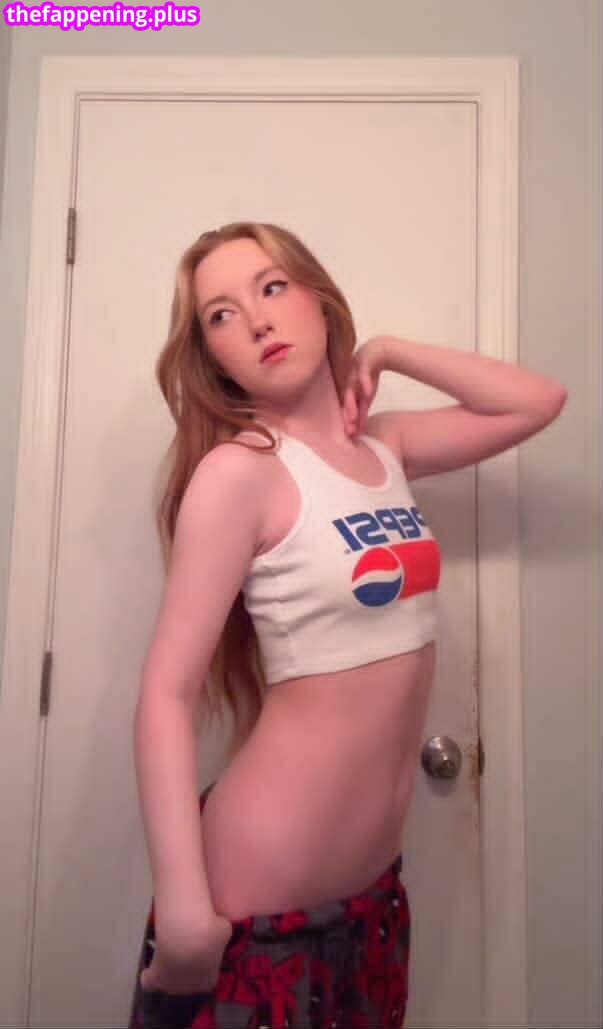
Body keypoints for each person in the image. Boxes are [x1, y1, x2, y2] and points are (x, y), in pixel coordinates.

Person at [127, 221, 566, 1029]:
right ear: (212, 356)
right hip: (258, 913)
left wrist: (388, 350)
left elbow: (538, 400)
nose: (256, 320)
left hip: (372, 901)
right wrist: (183, 905)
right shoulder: (241, 472)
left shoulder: (385, 446)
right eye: (221, 314)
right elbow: (165, 691)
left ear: (319, 300)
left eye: (271, 287)